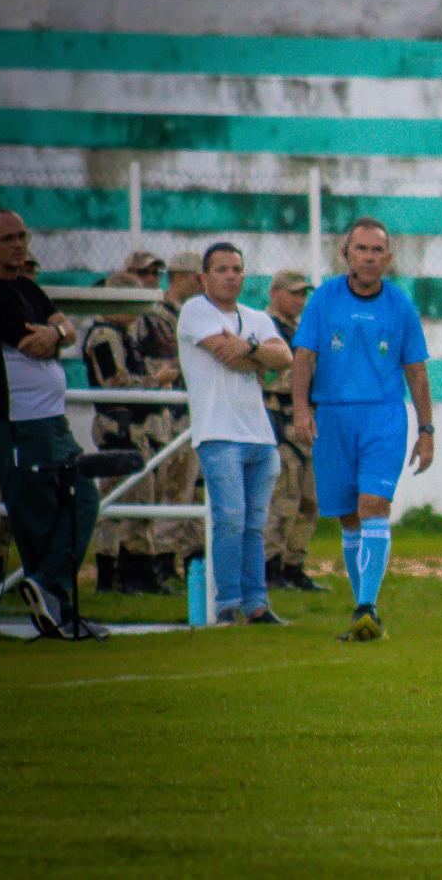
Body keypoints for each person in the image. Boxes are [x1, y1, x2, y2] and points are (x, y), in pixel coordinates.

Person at [291, 218, 434, 642]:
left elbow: (417, 371)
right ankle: (362, 611)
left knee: (374, 504)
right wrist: (302, 409)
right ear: (346, 254)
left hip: (384, 416)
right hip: (333, 416)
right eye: (362, 249)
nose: (370, 257)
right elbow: (303, 356)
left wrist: (426, 429)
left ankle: (366, 605)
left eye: (377, 250)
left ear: (388, 258)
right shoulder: (324, 299)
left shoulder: (400, 305)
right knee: (348, 516)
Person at [0, 208, 104, 639]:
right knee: (37, 519)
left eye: (22, 236)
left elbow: (63, 330)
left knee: (84, 497)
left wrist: (57, 334)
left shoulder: (29, 289)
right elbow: (33, 344)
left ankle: (47, 590)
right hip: (20, 423)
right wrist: (56, 336)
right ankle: (56, 610)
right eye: (8, 238)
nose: (19, 244)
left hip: (52, 422)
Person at [177, 242, 292, 625]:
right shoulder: (195, 310)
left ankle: (256, 604)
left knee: (254, 524)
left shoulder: (256, 317)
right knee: (229, 517)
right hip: (218, 432)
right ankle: (227, 602)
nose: (230, 276)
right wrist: (257, 356)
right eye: (222, 269)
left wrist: (251, 347)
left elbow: (285, 357)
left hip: (259, 434)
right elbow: (228, 355)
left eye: (237, 269)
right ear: (204, 277)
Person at [81, 272, 179, 594]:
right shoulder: (105, 336)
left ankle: (136, 572)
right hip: (119, 429)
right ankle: (116, 577)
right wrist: (156, 380)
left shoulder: (123, 333)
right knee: (118, 501)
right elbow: (115, 382)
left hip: (137, 428)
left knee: (141, 497)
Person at [136, 251, 204, 580]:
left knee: (191, 488)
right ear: (181, 276)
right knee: (172, 487)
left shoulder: (188, 313)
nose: (202, 284)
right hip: (167, 413)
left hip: (189, 411)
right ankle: (159, 560)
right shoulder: (153, 316)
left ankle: (183, 560)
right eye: (197, 277)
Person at [261, 270, 325, 591]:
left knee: (309, 501)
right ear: (275, 293)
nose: (301, 300)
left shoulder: (299, 329)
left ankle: (293, 564)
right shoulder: (266, 329)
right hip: (280, 423)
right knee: (283, 499)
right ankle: (270, 566)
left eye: (304, 294)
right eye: (295, 293)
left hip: (306, 425)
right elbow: (271, 377)